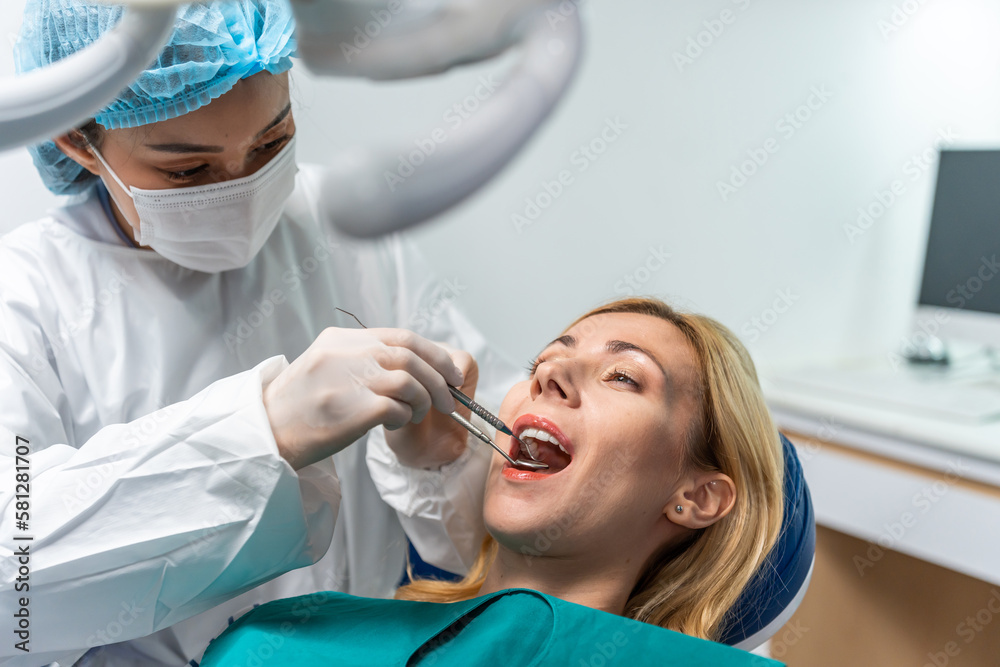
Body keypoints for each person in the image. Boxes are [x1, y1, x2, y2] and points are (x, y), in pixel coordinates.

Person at [0, 2, 520, 665]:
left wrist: (441, 465)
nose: (243, 188)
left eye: (272, 143)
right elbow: (13, 582)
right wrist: (262, 431)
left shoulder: (343, 234)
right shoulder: (24, 298)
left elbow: (508, 533)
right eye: (188, 171)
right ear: (79, 136)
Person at [198, 297, 789, 665]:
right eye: (542, 362)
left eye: (624, 377)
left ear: (697, 497)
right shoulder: (284, 640)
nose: (550, 374)